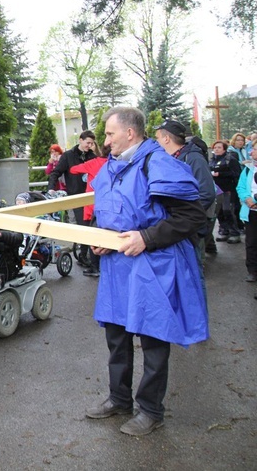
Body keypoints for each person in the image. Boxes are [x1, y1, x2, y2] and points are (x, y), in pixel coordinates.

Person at [86, 107, 208, 436]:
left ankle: (152, 410)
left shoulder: (159, 162)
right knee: (117, 337)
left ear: (130, 133)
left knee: (153, 339)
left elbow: (192, 215)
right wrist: (102, 239)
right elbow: (111, 213)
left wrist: (147, 237)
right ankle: (119, 399)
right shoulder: (112, 167)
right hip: (117, 268)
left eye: (110, 133)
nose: (105, 140)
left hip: (153, 267)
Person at [154, 119, 217, 271]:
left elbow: (207, 192)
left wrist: (185, 215)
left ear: (166, 138)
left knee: (194, 270)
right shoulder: (169, 159)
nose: (155, 142)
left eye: (157, 138)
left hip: (191, 228)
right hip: (177, 227)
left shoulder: (193, 158)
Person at [48, 130, 97, 264]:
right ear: (80, 140)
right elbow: (55, 172)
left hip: (92, 196)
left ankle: (87, 254)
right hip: (76, 196)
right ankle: (84, 255)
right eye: (88, 142)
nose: (89, 145)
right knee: (84, 225)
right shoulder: (68, 156)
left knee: (92, 225)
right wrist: (51, 188)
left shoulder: (92, 156)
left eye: (92, 143)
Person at [69, 142, 111, 277]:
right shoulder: (115, 164)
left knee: (93, 235)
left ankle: (94, 267)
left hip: (92, 203)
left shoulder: (94, 163)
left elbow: (73, 169)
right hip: (109, 204)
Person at [210, 140, 242, 244]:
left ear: (224, 149)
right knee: (219, 212)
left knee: (228, 210)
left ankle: (234, 233)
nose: (216, 149)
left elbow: (236, 173)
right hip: (216, 190)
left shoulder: (230, 160)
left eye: (219, 147)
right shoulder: (212, 160)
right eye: (215, 147)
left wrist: (220, 174)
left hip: (228, 189)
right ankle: (224, 230)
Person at [236, 146, 257, 282]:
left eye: (254, 149)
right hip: (251, 211)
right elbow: (240, 186)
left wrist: (254, 199)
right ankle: (252, 271)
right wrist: (247, 199)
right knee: (251, 242)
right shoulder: (248, 169)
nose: (250, 151)